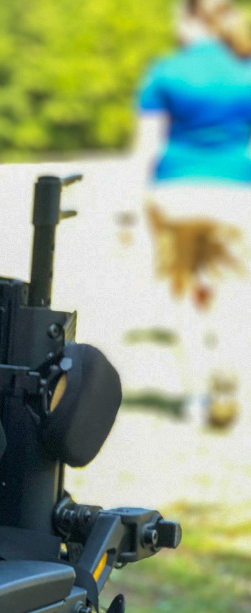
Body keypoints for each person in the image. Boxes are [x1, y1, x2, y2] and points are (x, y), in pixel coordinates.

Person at [131, 0, 251, 427]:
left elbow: (147, 147)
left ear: (191, 19)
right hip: (237, 194)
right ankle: (230, 380)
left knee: (184, 302)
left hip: (177, 195)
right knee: (233, 298)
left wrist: (131, 208)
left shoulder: (164, 72)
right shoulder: (246, 70)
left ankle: (197, 399)